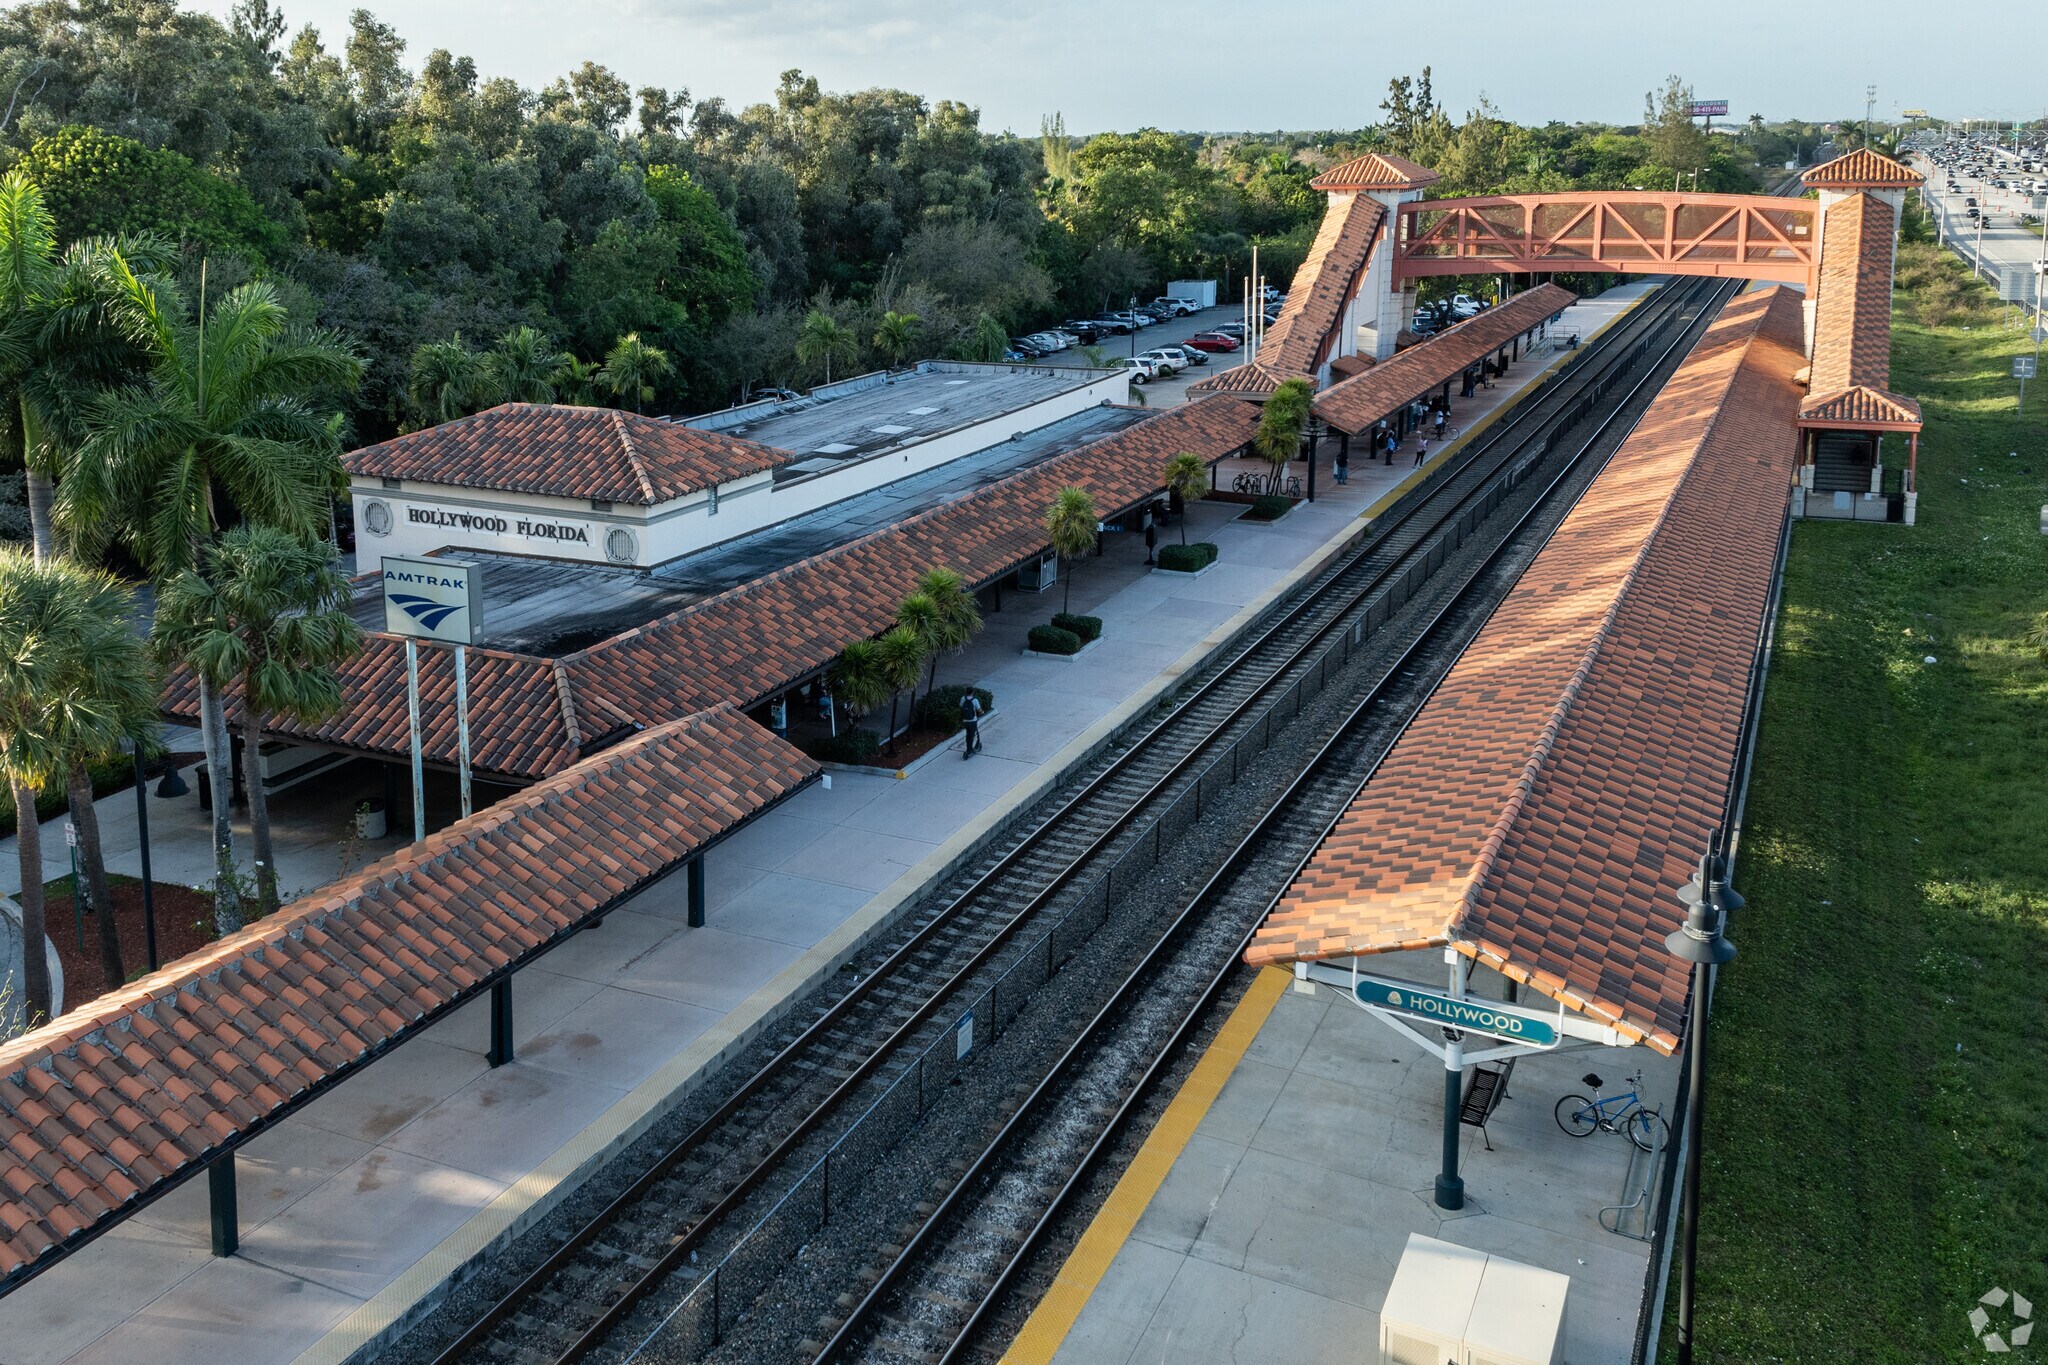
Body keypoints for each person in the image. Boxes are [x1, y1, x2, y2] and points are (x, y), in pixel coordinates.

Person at [960, 690, 983, 758]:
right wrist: (982, 712)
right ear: (972, 692)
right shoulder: (975, 700)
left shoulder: (963, 698)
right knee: (972, 734)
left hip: (965, 721)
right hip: (973, 720)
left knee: (968, 734)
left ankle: (969, 748)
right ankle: (969, 749)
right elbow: (979, 710)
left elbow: (961, 706)